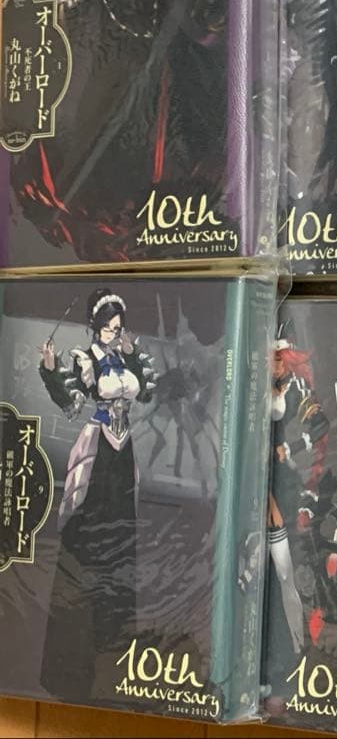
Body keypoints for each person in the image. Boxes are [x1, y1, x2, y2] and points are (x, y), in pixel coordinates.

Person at [38, 289, 157, 701]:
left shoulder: (127, 354)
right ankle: (74, 652)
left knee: (122, 538)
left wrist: (134, 354)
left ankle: (115, 642)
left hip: (124, 455)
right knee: (86, 539)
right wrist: (51, 371)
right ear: (96, 327)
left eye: (118, 328)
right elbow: (72, 405)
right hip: (98, 452)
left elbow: (147, 392)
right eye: (108, 328)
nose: (113, 334)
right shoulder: (84, 358)